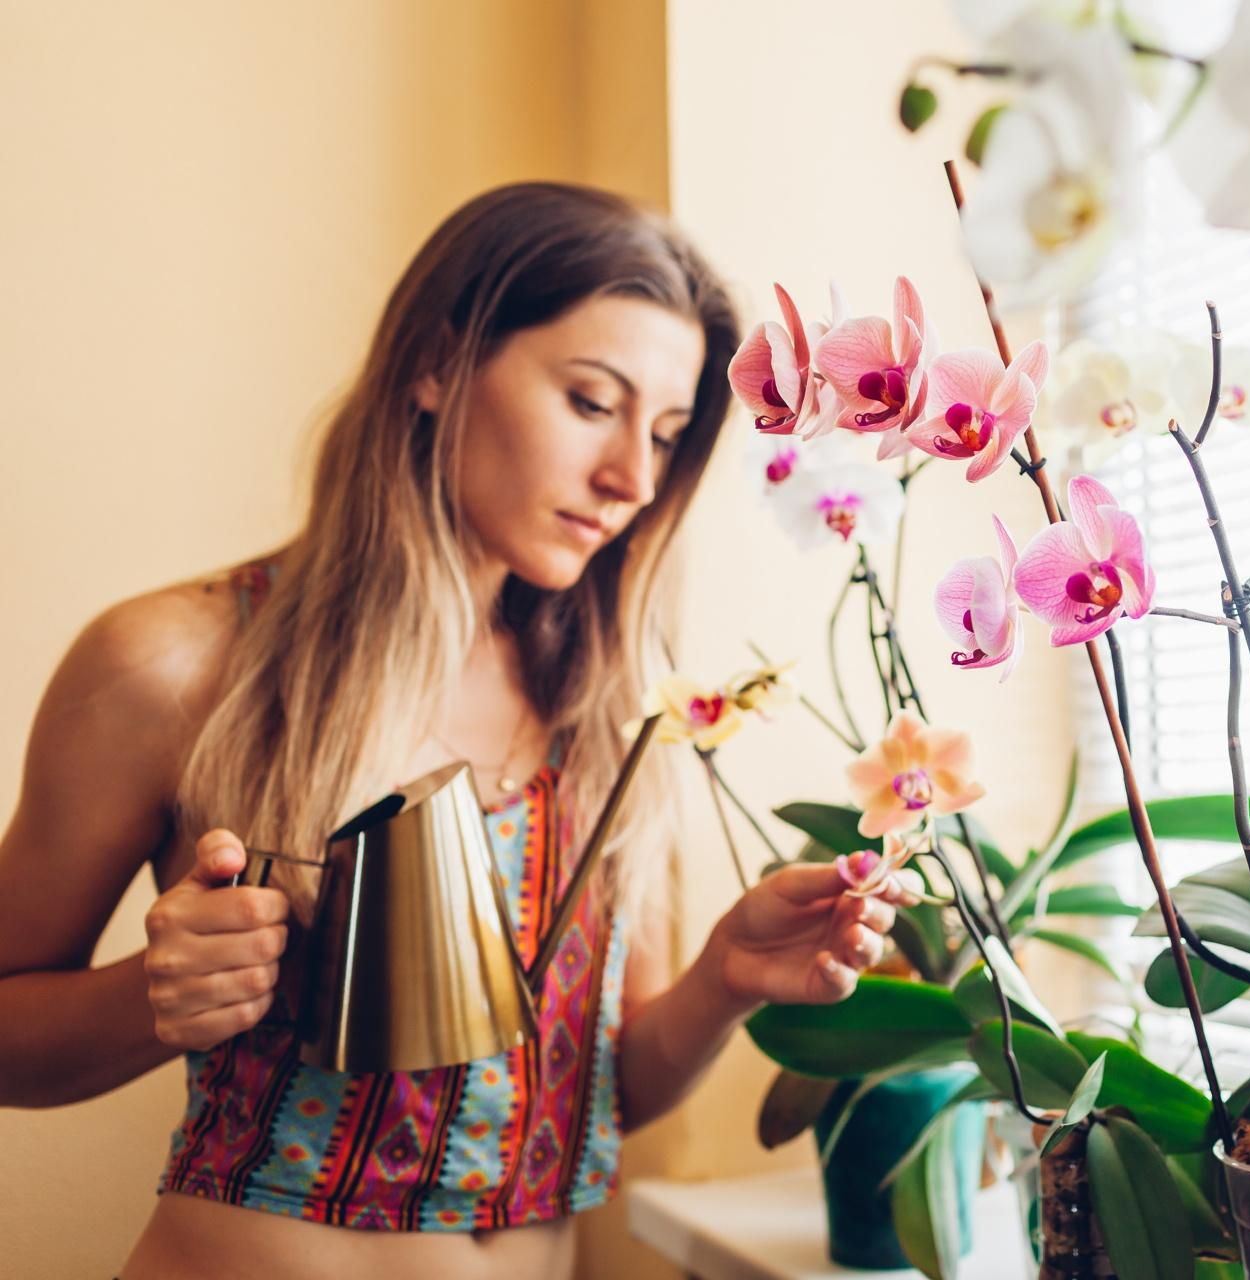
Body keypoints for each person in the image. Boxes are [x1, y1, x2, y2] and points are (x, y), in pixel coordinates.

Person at [0, 182, 909, 1280]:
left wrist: (725, 975)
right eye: (589, 401)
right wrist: (154, 996)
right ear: (436, 363)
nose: (631, 477)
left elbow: (606, 1087)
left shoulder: (612, 702)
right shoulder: (176, 665)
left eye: (665, 435)